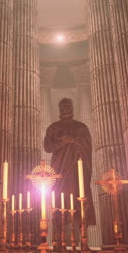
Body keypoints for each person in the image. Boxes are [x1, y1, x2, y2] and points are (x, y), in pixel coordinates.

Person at [44, 97, 95, 226]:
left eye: (68, 105)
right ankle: (57, 239)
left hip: (78, 169)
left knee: (81, 196)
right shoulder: (53, 128)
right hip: (60, 169)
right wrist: (62, 142)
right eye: (63, 106)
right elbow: (47, 147)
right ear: (59, 108)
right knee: (59, 199)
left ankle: (84, 236)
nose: (66, 108)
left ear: (72, 107)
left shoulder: (81, 127)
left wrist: (76, 141)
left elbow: (88, 147)